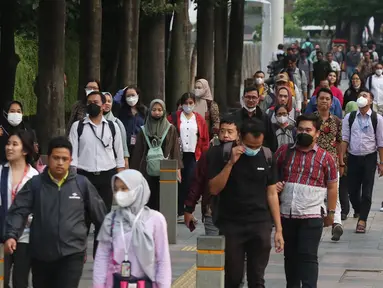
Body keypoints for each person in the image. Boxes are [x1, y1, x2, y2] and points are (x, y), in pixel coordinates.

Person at [4, 136, 106, 288]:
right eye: (56, 158)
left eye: (64, 159)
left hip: (72, 253)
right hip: (41, 255)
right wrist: (12, 235)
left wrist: (106, 244)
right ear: (48, 158)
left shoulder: (82, 184)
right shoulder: (36, 184)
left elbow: (101, 217)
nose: (60, 162)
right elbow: (18, 210)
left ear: (70, 160)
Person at [208, 119, 284, 287]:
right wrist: (230, 164)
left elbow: (272, 193)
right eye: (250, 146)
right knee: (233, 278)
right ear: (240, 138)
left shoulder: (267, 155)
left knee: (257, 278)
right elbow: (213, 189)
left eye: (258, 146)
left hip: (260, 224)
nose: (254, 150)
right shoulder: (223, 154)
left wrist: (278, 229)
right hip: (232, 224)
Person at [275, 114, 338, 287]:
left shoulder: (326, 158)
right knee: (291, 258)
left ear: (317, 133)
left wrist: (331, 214)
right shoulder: (284, 152)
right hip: (287, 215)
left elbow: (332, 187)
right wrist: (275, 186)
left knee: (308, 256)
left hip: (311, 216)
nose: (303, 132)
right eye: (300, 129)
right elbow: (271, 176)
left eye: (308, 130)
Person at [93, 169, 172, 288]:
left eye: (124, 188)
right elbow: (102, 257)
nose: (119, 193)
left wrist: (164, 285)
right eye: (116, 189)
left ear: (138, 189)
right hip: (116, 283)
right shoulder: (111, 219)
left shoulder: (155, 219)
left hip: (146, 283)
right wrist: (98, 285)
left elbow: (163, 259)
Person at [69, 91, 125, 256]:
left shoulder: (113, 127)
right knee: (82, 217)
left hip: (106, 175)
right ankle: (79, 251)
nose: (93, 104)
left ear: (103, 105)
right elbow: (72, 156)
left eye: (96, 102)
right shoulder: (77, 127)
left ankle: (100, 255)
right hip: (84, 176)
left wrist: (120, 179)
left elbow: (119, 156)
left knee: (104, 217)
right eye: (90, 102)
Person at [184, 115, 240, 236]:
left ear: (238, 135)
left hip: (237, 213)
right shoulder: (209, 154)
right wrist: (189, 208)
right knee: (212, 249)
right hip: (212, 209)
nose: (225, 135)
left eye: (230, 132)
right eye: (222, 131)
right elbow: (197, 182)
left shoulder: (243, 154)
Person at [341, 89, 383, 233]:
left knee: (367, 190)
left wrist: (381, 163)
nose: (362, 97)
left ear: (371, 100)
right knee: (352, 191)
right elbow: (345, 139)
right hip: (353, 157)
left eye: (365, 96)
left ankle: (362, 220)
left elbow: (381, 143)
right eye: (360, 95)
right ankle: (359, 209)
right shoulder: (349, 117)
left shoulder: (377, 119)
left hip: (369, 158)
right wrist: (341, 159)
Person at [0, 131, 38, 288]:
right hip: (2, 237)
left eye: (14, 144)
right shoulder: (1, 171)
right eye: (8, 144)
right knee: (2, 279)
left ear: (25, 150)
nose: (9, 147)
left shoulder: (34, 176)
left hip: (25, 237)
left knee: (20, 281)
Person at [130, 99, 183, 211]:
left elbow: (175, 149)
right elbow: (138, 152)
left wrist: (177, 168)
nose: (157, 112)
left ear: (164, 111)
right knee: (148, 199)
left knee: (164, 200)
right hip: (146, 169)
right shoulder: (144, 130)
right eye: (154, 110)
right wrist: (134, 172)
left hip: (165, 169)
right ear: (149, 111)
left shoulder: (170, 129)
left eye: (160, 110)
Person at [168, 93, 210, 222]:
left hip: (193, 155)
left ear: (194, 104)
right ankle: (177, 209)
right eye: (186, 103)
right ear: (181, 104)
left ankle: (186, 210)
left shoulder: (199, 119)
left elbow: (204, 139)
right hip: (177, 154)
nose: (188, 106)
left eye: (191, 103)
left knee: (190, 182)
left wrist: (204, 156)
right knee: (177, 182)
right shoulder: (174, 117)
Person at [314, 88, 344, 241]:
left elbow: (339, 143)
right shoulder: (310, 120)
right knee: (317, 194)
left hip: (332, 162)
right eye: (321, 98)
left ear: (332, 102)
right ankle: (315, 223)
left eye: (327, 99)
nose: (324, 101)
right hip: (314, 162)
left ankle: (336, 223)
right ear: (316, 100)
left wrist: (342, 162)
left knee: (334, 193)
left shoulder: (337, 122)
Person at [230, 87, 278, 152]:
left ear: (258, 99)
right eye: (248, 97)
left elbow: (272, 141)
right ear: (243, 98)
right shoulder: (235, 116)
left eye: (254, 97)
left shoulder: (264, 117)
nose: (251, 100)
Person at [118, 86, 147, 156]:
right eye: (128, 96)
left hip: (142, 146)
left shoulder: (144, 111)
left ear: (138, 95)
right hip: (125, 147)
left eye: (133, 95)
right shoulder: (121, 112)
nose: (131, 98)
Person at [103, 92, 130, 169]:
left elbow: (124, 147)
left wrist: (125, 163)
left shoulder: (116, 122)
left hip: (114, 164)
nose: (107, 103)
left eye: (109, 101)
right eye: (104, 101)